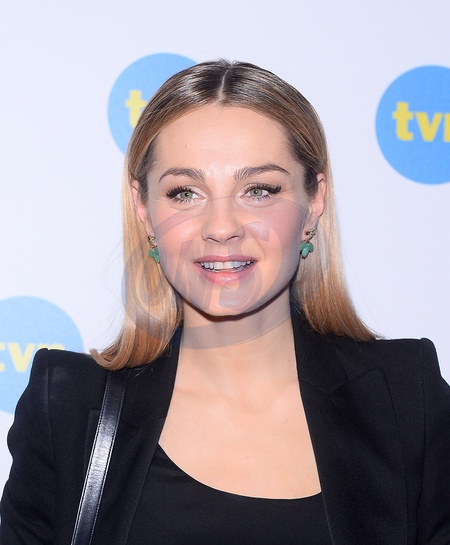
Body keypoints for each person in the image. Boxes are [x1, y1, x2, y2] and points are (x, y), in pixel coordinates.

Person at [1, 60, 450, 545]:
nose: (221, 227)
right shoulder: (67, 406)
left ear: (314, 202)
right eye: (185, 193)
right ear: (144, 208)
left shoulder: (406, 398)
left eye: (259, 190)